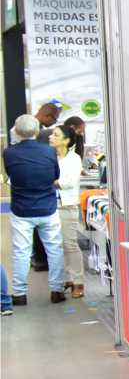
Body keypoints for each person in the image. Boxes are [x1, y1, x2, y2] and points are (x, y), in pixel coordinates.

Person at [4, 115, 65, 306]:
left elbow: (11, 174)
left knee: (21, 252)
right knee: (54, 250)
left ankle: (20, 294)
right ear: (37, 131)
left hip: (21, 210)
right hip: (48, 208)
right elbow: (55, 175)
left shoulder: (9, 153)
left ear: (17, 131)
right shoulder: (49, 151)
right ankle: (57, 290)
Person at [50, 126, 84, 298]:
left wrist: (51, 181)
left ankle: (78, 281)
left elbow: (69, 182)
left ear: (66, 140)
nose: (51, 137)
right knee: (58, 245)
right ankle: (69, 278)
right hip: (50, 206)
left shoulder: (74, 159)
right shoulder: (50, 156)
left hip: (67, 206)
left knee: (70, 243)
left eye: (55, 135)